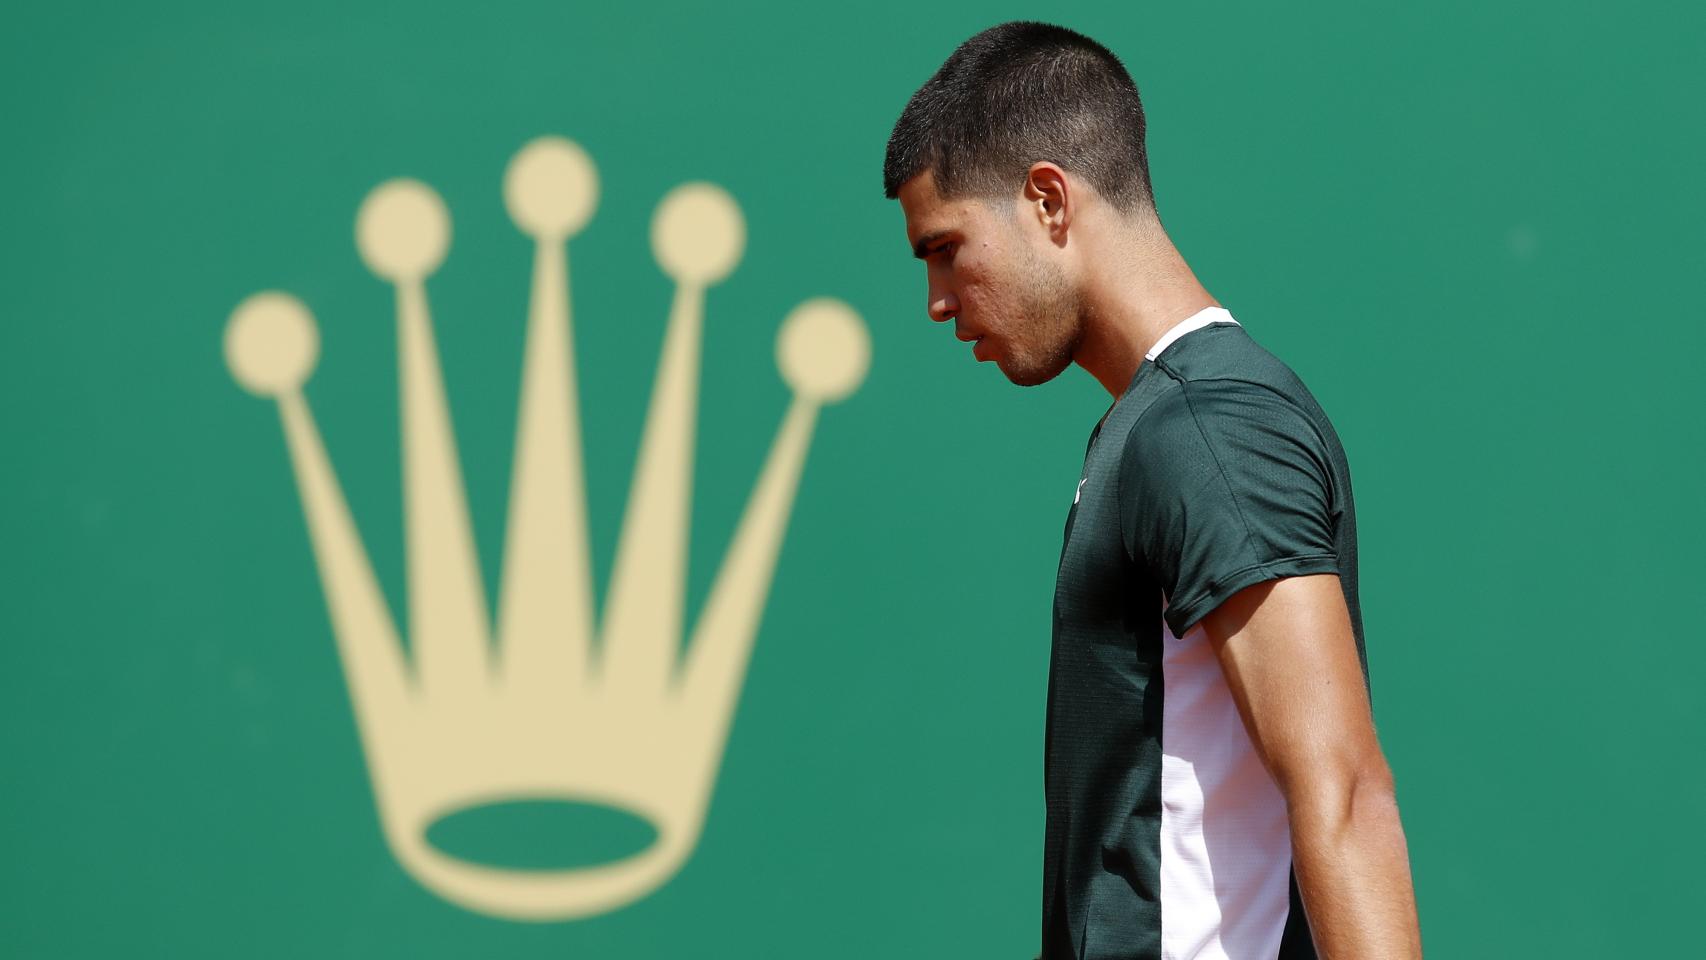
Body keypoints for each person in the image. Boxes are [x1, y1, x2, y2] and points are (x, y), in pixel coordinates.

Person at [883, 22, 1422, 960]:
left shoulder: (1212, 428)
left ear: (1048, 200)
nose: (937, 299)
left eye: (946, 247)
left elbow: (1342, 792)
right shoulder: (1161, 425)